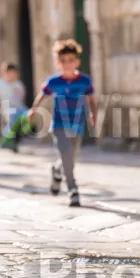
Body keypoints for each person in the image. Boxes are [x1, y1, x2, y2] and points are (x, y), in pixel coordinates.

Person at [28, 39, 96, 207]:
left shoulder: (84, 81)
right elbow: (42, 94)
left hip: (77, 125)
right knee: (66, 155)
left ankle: (57, 171)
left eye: (71, 60)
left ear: (77, 61)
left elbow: (91, 99)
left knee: (69, 159)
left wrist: (92, 114)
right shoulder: (53, 82)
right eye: (64, 61)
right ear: (58, 63)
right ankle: (73, 190)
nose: (67, 64)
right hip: (59, 125)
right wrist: (33, 109)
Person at [0, 62, 32, 152]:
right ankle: (7, 141)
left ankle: (15, 139)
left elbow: (21, 99)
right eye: (10, 72)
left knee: (28, 118)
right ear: (5, 73)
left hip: (20, 108)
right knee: (12, 120)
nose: (12, 75)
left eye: (14, 72)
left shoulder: (19, 84)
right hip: (8, 108)